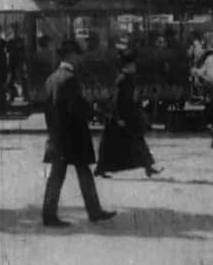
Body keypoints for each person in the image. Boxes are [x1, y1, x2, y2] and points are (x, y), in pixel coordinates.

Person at [42, 39, 116, 227]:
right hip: (74, 136)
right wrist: (94, 112)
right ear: (70, 56)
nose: (79, 59)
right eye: (76, 55)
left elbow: (49, 109)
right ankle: (94, 212)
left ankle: (49, 214)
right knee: (83, 173)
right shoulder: (70, 79)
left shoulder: (51, 78)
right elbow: (76, 107)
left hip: (57, 136)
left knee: (57, 176)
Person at [94, 48, 163, 178]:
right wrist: (119, 118)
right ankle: (100, 169)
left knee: (136, 141)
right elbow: (116, 100)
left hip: (127, 116)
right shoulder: (122, 80)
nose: (135, 67)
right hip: (120, 117)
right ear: (128, 66)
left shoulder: (128, 78)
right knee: (111, 144)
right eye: (133, 65)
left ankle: (148, 167)